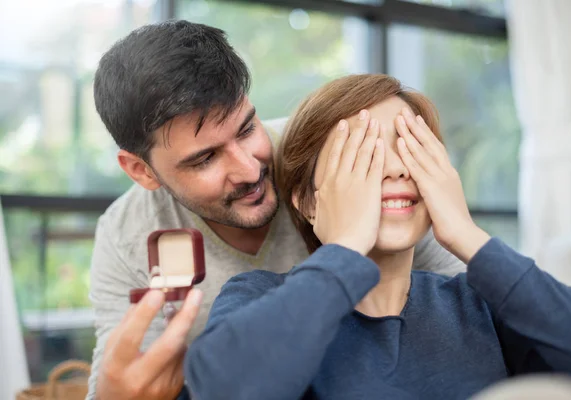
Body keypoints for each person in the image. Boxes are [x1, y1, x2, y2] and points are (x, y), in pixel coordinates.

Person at [87, 21, 464, 399]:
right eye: (205, 159)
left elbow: (468, 300)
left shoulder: (322, 160)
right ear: (141, 170)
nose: (250, 170)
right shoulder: (127, 235)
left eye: (248, 128)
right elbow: (123, 375)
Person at [181, 74, 571, 399]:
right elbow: (226, 388)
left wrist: (467, 235)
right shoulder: (257, 296)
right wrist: (345, 247)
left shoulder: (481, 305)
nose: (397, 169)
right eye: (365, 155)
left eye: (412, 147)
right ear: (307, 200)